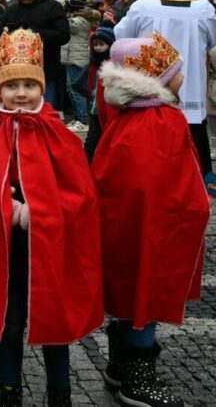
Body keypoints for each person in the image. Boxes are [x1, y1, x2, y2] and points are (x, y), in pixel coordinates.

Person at [0, 28, 104, 406]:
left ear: (41, 87)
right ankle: (9, 389)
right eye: (12, 85)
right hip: (5, 248)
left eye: (28, 85)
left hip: (50, 246)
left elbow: (81, 196)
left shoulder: (58, 131)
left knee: (56, 320)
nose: (20, 93)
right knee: (10, 322)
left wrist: (40, 211)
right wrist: (7, 210)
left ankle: (60, 391)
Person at [92, 34, 210, 407]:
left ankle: (120, 364)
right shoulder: (159, 120)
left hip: (130, 225)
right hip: (155, 227)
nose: (182, 75)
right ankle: (138, 377)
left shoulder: (131, 117)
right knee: (147, 288)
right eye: (174, 69)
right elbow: (169, 181)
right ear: (156, 75)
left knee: (132, 288)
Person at [114, 0, 216, 175]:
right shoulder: (204, 9)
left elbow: (120, 36)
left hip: (150, 92)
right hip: (190, 91)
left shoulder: (142, 5)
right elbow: (212, 42)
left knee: (151, 154)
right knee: (193, 150)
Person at [4, 0, 70, 106]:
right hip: (18, 70)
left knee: (44, 111)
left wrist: (33, 33)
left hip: (45, 70)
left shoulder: (53, 7)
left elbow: (63, 35)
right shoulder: (12, 9)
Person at [61, 0, 100, 131]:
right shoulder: (79, 20)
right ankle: (78, 118)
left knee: (76, 90)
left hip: (77, 59)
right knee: (71, 90)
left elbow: (65, 25)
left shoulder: (80, 22)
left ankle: (82, 120)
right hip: (71, 58)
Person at [83, 26, 115, 163]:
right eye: (95, 44)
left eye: (101, 44)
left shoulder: (113, 64)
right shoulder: (94, 63)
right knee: (91, 141)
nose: (97, 48)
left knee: (108, 141)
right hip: (94, 109)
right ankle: (85, 166)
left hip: (108, 110)